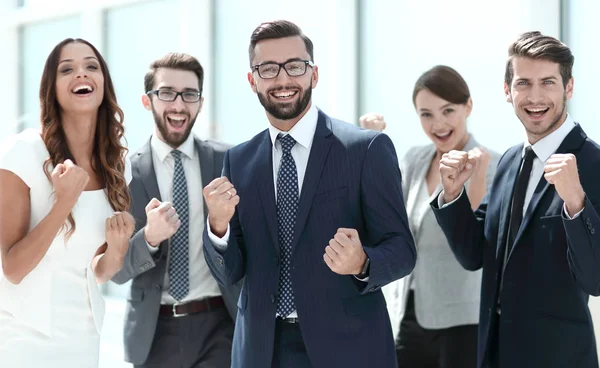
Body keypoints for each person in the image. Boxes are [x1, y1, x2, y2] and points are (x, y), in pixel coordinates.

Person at [201, 20, 416, 368]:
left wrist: (362, 262)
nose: (283, 79)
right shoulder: (238, 161)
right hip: (262, 351)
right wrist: (218, 227)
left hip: (348, 349)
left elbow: (402, 250)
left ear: (313, 75)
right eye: (269, 68)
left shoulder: (365, 149)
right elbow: (230, 272)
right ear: (252, 80)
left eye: (295, 66)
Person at [431, 31, 600, 368]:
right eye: (523, 83)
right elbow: (475, 254)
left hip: (558, 359)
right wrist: (452, 194)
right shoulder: (509, 161)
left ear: (569, 88)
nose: (535, 97)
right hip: (494, 353)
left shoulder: (593, 165)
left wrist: (575, 203)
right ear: (507, 91)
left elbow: (595, 279)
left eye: (548, 82)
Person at [0, 38, 133, 367]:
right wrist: (63, 204)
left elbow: (98, 272)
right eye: (67, 69)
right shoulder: (24, 152)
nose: (81, 74)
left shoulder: (115, 163)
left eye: (91, 66)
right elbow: (12, 269)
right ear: (52, 88)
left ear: (103, 83)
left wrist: (117, 248)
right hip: (24, 339)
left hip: (85, 339)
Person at [362, 65, 499, 368]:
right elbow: (382, 215)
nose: (438, 123)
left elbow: (473, 235)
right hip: (407, 314)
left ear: (468, 107)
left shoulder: (493, 164)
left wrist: (475, 178)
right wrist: (370, 146)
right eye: (426, 114)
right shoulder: (415, 159)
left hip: (463, 320)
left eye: (448, 110)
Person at [111, 53, 239, 368]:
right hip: (154, 333)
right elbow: (114, 272)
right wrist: (149, 238)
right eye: (167, 93)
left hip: (221, 326)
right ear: (147, 101)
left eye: (189, 94)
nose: (179, 104)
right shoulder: (124, 174)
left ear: (200, 101)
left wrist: (221, 229)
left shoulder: (229, 162)